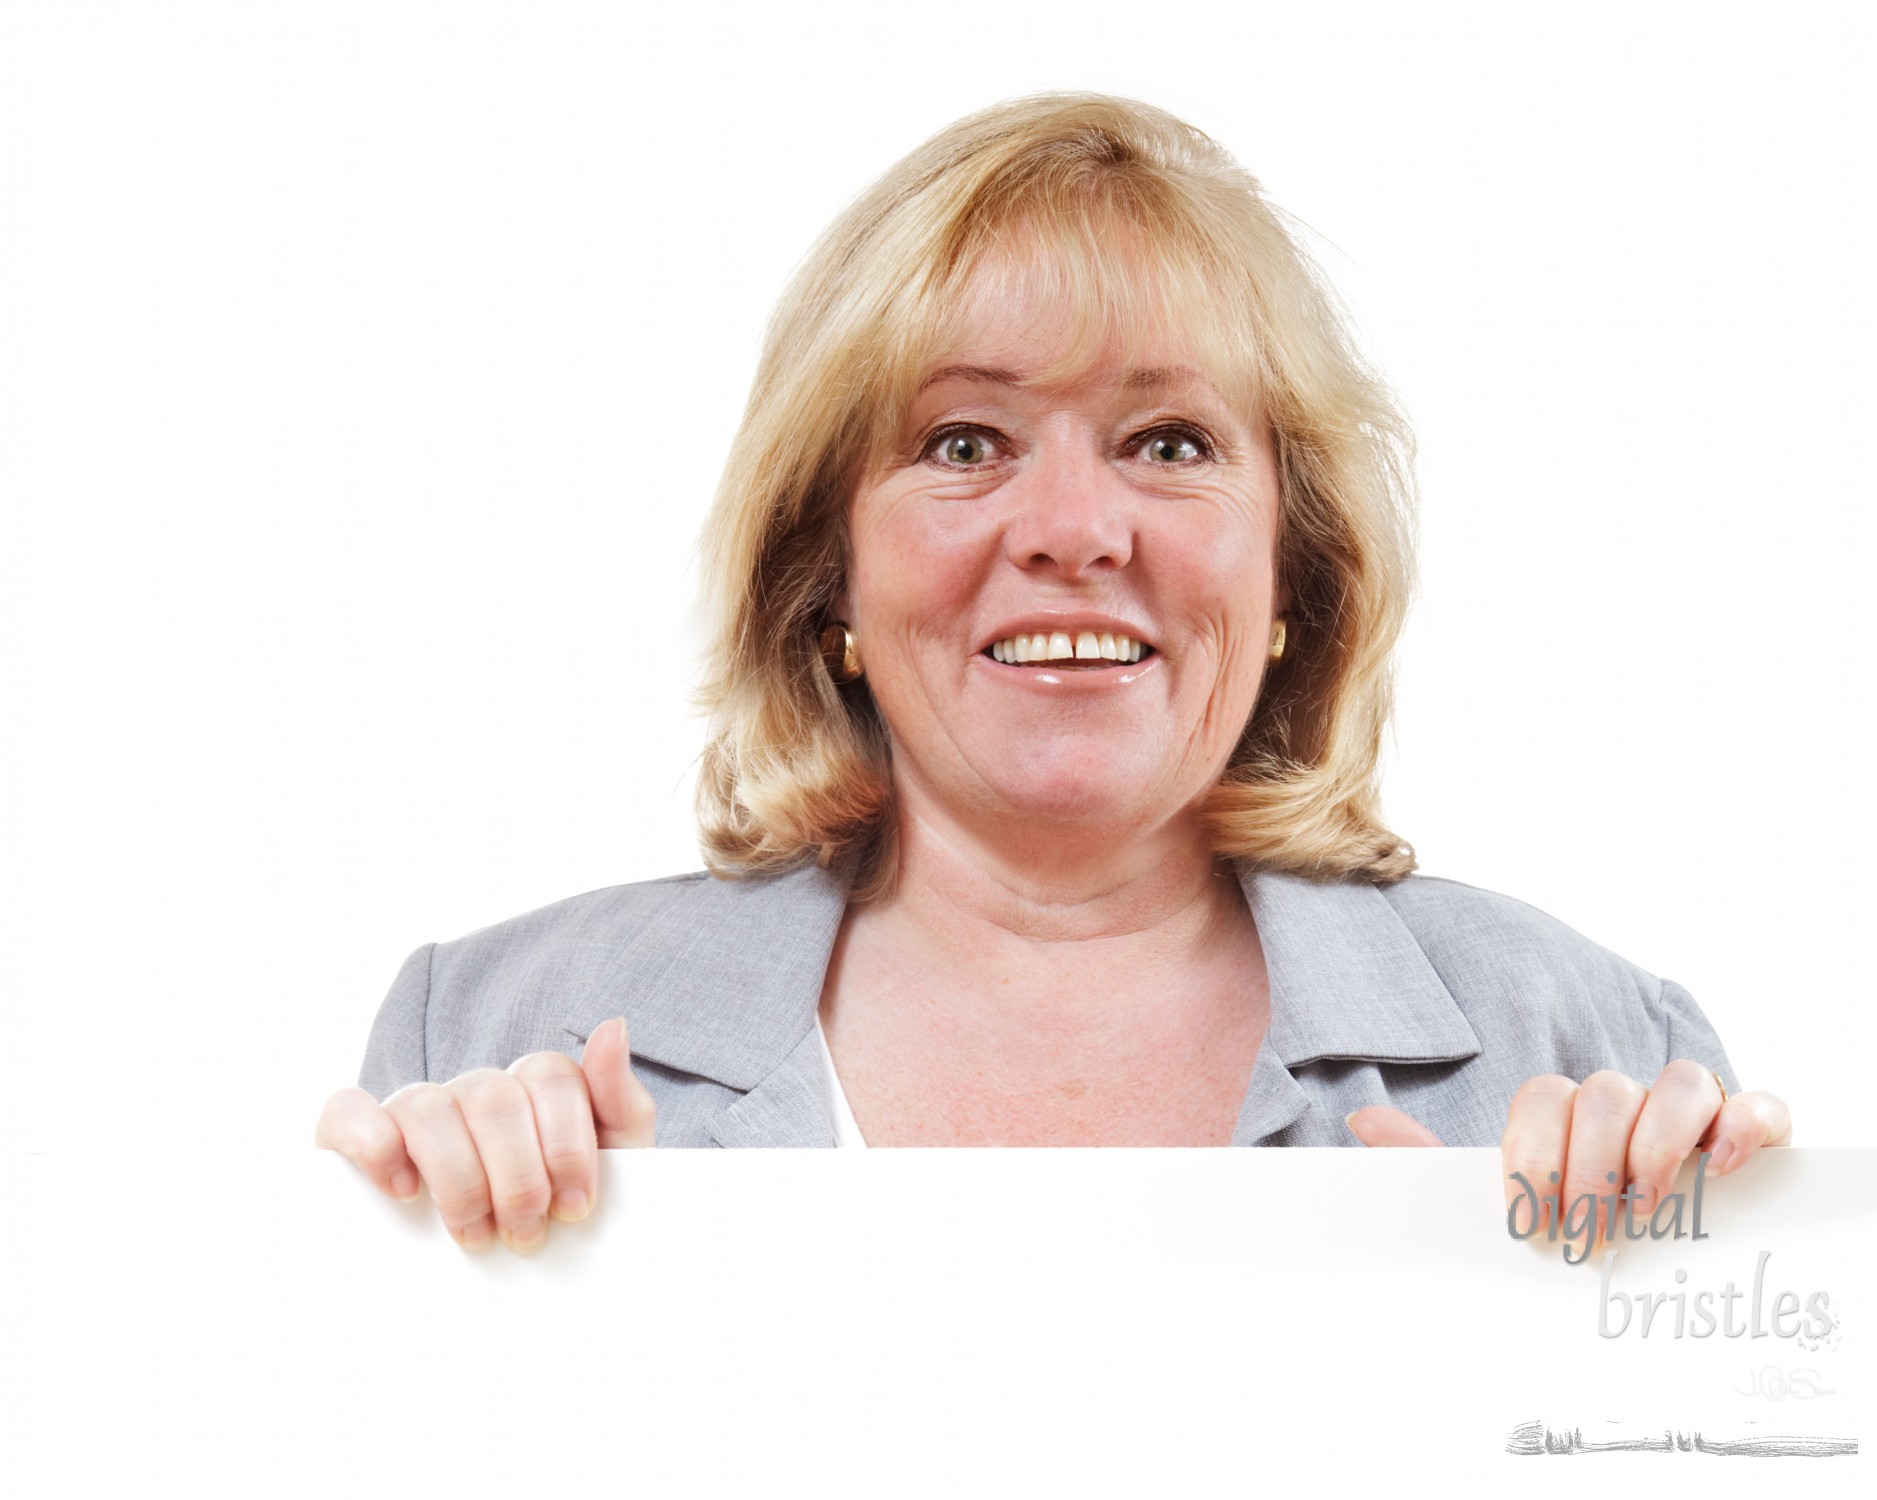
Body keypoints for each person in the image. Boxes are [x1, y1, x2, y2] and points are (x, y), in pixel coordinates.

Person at [315, 92, 1791, 1254]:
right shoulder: (486, 1033)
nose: (1075, 531)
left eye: (1168, 444)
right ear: (826, 570)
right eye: (963, 443)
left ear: (1293, 572)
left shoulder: (1586, 1040)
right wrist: (513, 1335)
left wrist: (1567, 1389)